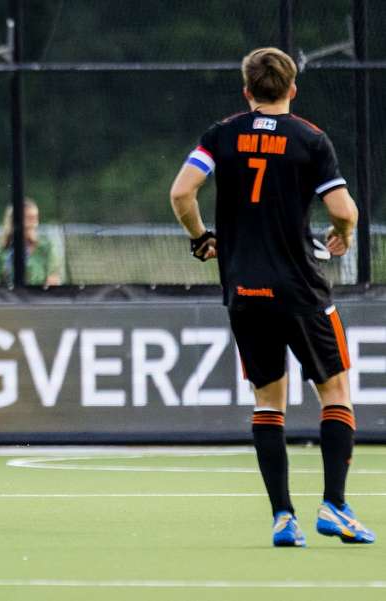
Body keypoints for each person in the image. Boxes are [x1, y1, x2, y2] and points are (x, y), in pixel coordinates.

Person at [170, 47, 375, 548]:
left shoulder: (221, 135)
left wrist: (201, 238)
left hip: (244, 291)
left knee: (268, 403)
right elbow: (343, 208)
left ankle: (284, 517)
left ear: (247, 91)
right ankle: (335, 506)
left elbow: (181, 192)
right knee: (335, 393)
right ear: (293, 88)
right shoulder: (310, 139)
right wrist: (343, 232)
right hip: (301, 290)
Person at [0, 199, 61, 286]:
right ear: (14, 221)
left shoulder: (47, 248)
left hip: (40, 298)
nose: (34, 223)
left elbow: (53, 281)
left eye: (36, 218)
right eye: (29, 218)